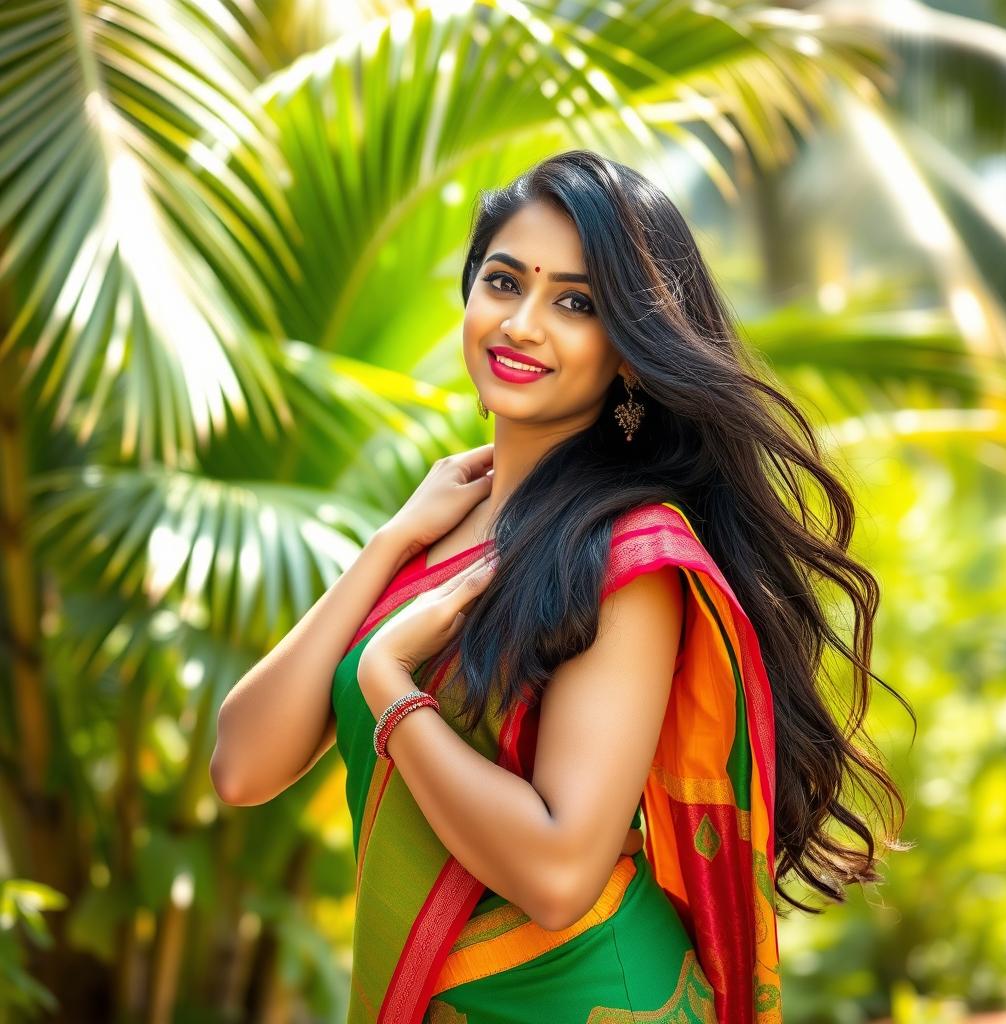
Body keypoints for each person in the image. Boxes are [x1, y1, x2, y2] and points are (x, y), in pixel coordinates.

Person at [211, 150, 910, 1024]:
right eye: (503, 282)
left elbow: (556, 872)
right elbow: (242, 766)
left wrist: (388, 685)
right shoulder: (435, 535)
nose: (523, 324)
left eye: (576, 303)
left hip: (585, 997)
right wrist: (388, 546)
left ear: (627, 353)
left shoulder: (628, 557)